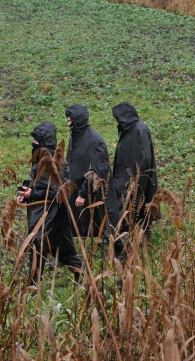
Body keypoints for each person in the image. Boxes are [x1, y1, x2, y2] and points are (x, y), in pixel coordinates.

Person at [17, 122, 82, 283]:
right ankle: (34, 285)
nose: (34, 144)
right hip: (41, 215)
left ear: (44, 142)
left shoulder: (55, 163)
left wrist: (32, 194)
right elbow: (36, 183)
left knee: (58, 251)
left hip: (53, 218)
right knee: (39, 250)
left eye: (37, 141)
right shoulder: (41, 158)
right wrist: (25, 194)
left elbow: (58, 193)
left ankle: (82, 277)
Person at [63, 104, 122, 249]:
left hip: (96, 188)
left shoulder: (94, 140)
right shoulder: (76, 136)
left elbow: (96, 170)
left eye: (70, 120)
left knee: (106, 216)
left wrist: (83, 193)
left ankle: (119, 250)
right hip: (79, 184)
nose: (68, 123)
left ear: (78, 120)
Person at [111, 102, 159, 235]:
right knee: (126, 206)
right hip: (126, 177)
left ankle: (142, 235)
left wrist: (139, 181)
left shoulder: (139, 129)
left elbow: (145, 158)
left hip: (135, 179)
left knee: (139, 206)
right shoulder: (127, 129)